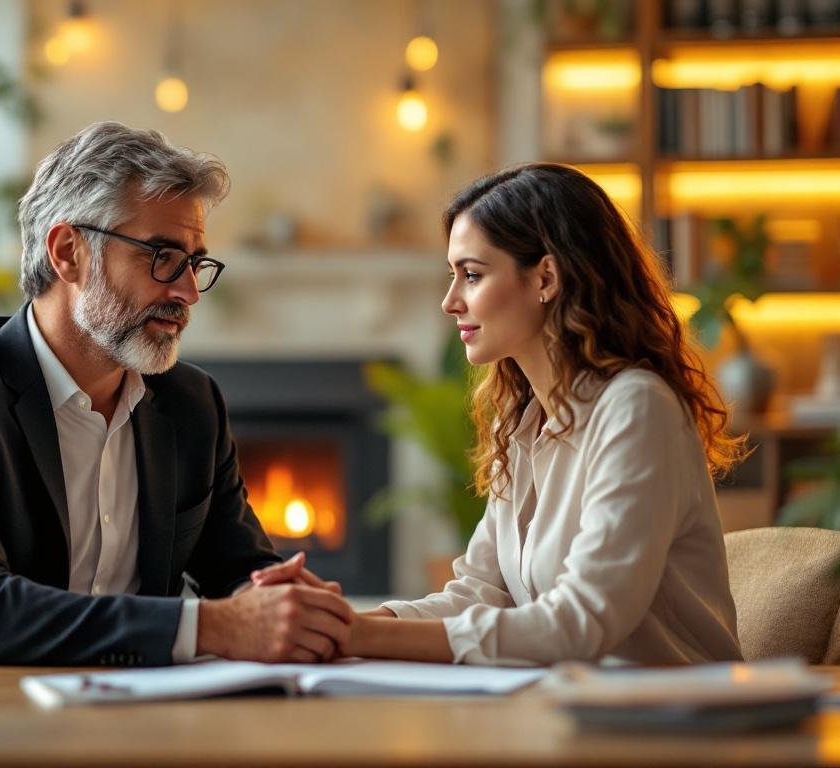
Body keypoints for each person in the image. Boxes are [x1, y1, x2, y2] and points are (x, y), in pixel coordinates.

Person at [0, 122, 352, 666]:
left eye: (195, 263)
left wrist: (290, 607)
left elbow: (240, 577)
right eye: (161, 257)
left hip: (117, 720)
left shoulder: (191, 404)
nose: (187, 292)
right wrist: (212, 626)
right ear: (67, 254)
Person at [256, 163, 745, 665]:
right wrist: (336, 621)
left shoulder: (637, 408)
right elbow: (478, 592)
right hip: (568, 713)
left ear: (546, 278)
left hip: (675, 725)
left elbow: (581, 621)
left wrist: (355, 638)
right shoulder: (525, 422)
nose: (450, 302)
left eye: (472, 274)